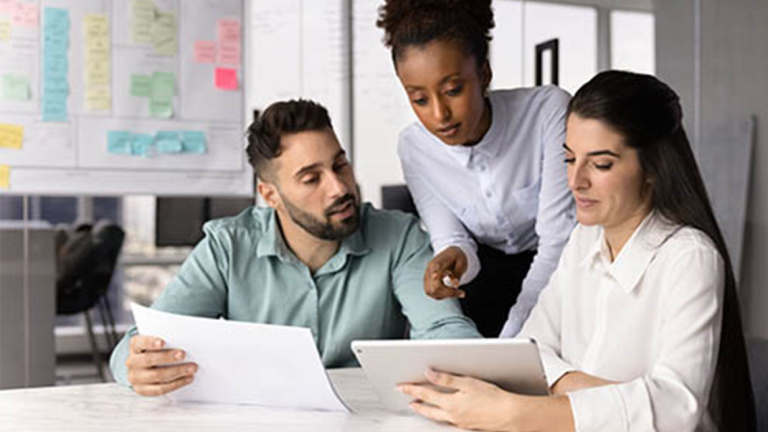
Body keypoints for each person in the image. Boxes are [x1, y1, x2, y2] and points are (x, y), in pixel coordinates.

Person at [397, 71, 756, 431]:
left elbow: (674, 409)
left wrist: (511, 411)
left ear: (652, 168)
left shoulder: (688, 257)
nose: (575, 181)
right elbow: (529, 350)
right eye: (569, 159)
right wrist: (597, 393)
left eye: (601, 164)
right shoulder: (583, 241)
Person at [109, 99, 480, 396]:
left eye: (341, 165)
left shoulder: (400, 237)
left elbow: (443, 329)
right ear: (270, 195)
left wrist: (478, 364)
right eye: (311, 178)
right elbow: (134, 347)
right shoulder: (228, 247)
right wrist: (139, 366)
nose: (339, 188)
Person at [377, 0, 575, 337]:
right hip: (486, 278)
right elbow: (452, 238)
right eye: (419, 99)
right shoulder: (414, 147)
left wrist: (511, 339)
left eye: (453, 90)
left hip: (562, 270)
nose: (439, 115)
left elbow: (557, 241)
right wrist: (451, 260)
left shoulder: (547, 113)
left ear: (484, 74)